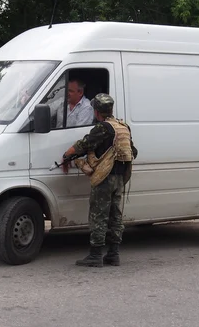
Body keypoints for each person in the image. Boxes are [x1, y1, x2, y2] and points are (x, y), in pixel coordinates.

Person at [61, 93, 138, 267]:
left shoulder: (103, 128)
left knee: (99, 215)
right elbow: (134, 151)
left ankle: (95, 255)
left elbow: (85, 144)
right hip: (119, 178)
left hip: (105, 177)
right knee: (115, 216)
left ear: (96, 111)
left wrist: (67, 155)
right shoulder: (123, 127)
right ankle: (113, 254)